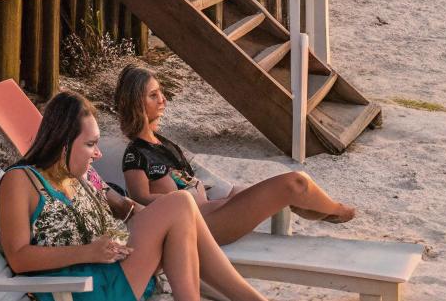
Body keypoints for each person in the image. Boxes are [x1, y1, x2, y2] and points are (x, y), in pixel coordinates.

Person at [0, 90, 283, 301]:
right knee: (180, 202)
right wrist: (89, 252)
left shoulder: (77, 176)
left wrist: (140, 225)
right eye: (91, 144)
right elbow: (18, 257)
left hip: (107, 270)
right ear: (63, 145)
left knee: (180, 210)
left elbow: (118, 207)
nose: (98, 153)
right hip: (82, 293)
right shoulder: (20, 181)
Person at [115, 65, 355, 241]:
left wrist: (223, 195)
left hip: (214, 210)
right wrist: (182, 201)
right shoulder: (135, 155)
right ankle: (337, 211)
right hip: (203, 225)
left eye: (160, 92)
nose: (163, 99)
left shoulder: (163, 143)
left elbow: (192, 182)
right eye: (153, 95)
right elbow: (139, 200)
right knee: (294, 183)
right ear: (137, 103)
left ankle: (320, 210)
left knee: (281, 190)